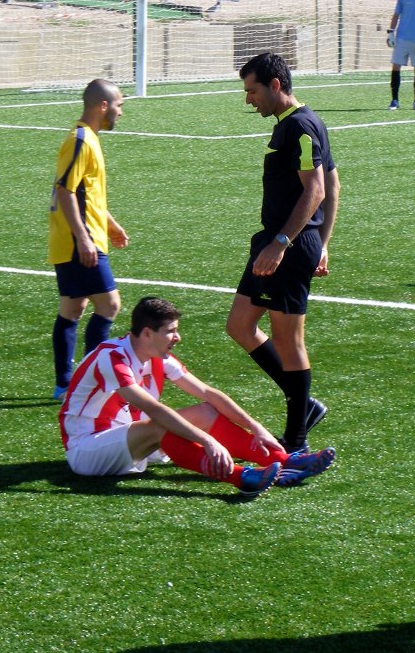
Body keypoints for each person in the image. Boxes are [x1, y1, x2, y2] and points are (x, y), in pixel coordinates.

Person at [59, 296, 337, 495]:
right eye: (171, 331)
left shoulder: (156, 355)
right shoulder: (112, 358)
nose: (177, 337)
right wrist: (207, 440)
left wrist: (256, 427)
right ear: (147, 333)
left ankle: (286, 461)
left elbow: (208, 393)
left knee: (205, 411)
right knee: (161, 424)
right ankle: (241, 478)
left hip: (130, 441)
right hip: (88, 449)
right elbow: (154, 410)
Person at [226, 52, 340, 454]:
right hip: (278, 242)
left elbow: (318, 190)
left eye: (252, 90)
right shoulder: (298, 123)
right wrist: (322, 242)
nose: (248, 99)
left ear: (275, 85)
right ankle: (304, 406)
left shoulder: (299, 126)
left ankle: (296, 441)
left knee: (289, 342)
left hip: (285, 246)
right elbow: (334, 184)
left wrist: (284, 242)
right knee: (240, 325)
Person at [48, 79, 129, 401]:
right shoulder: (80, 139)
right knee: (110, 305)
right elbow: (64, 191)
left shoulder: (88, 138)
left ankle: (64, 384)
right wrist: (83, 239)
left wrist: (110, 224)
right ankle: (89, 380)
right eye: (119, 105)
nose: (121, 112)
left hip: (80, 237)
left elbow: (87, 193)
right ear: (103, 106)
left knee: (73, 307)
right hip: (78, 242)